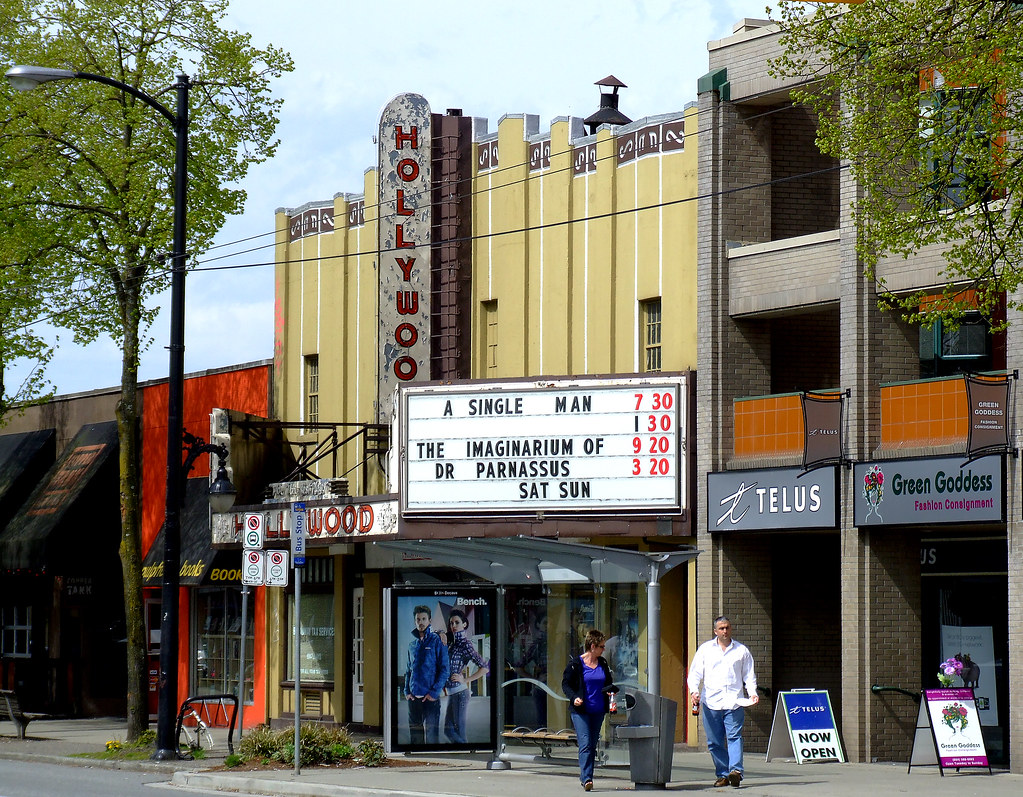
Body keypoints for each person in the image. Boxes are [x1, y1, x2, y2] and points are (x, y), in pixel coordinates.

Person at [687, 616, 759, 788]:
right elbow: (695, 673)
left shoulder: (741, 651)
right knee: (714, 742)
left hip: (734, 702)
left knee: (734, 736)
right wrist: (694, 691)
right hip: (711, 702)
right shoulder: (705, 650)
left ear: (731, 629)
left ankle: (736, 771)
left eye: (727, 627)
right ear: (715, 631)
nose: (725, 631)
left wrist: (753, 693)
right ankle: (723, 774)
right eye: (721, 628)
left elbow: (749, 675)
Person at [562, 629, 616, 792]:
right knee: (585, 743)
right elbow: (566, 684)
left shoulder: (603, 663)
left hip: (598, 710)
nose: (603, 649)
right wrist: (574, 697)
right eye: (601, 646)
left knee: (592, 744)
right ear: (592, 646)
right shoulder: (576, 664)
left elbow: (608, 682)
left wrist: (611, 692)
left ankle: (586, 776)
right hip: (581, 711)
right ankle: (587, 778)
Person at [441, 608, 490, 743]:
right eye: (451, 623)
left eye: (457, 622)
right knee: (448, 730)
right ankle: (463, 748)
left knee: (458, 731)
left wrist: (466, 680)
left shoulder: (465, 644)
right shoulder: (452, 643)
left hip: (460, 693)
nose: (453, 625)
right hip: (453, 693)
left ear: (464, 624)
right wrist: (441, 633)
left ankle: (465, 749)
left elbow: (484, 668)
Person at [404, 604, 449, 745]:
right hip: (413, 699)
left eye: (424, 619)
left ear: (429, 620)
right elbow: (408, 670)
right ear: (415, 621)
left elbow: (445, 670)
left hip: (431, 698)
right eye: (418, 619)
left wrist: (434, 693)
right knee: (415, 739)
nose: (421, 622)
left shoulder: (437, 641)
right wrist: (407, 691)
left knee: (432, 738)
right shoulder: (412, 645)